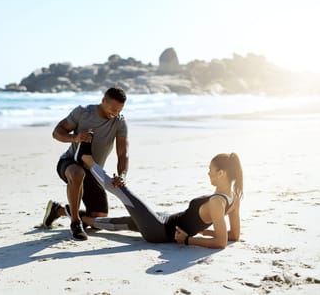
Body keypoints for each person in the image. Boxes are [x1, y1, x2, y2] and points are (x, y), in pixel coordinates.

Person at [73, 139, 243, 249]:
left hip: (159, 230)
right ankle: (76, 216)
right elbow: (234, 236)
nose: (208, 173)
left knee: (121, 190)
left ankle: (88, 161)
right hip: (166, 220)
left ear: (221, 173)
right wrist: (207, 232)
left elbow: (221, 243)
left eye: (210, 170)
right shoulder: (233, 198)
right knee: (123, 222)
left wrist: (187, 240)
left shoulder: (217, 202)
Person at [42, 87, 129, 240]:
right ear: (103, 101)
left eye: (119, 110)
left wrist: (122, 175)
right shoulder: (83, 113)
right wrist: (75, 137)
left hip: (93, 171)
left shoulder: (119, 122)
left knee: (98, 218)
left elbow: (123, 154)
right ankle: (75, 223)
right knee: (78, 173)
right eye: (113, 109)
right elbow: (57, 132)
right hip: (70, 163)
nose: (115, 113)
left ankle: (59, 210)